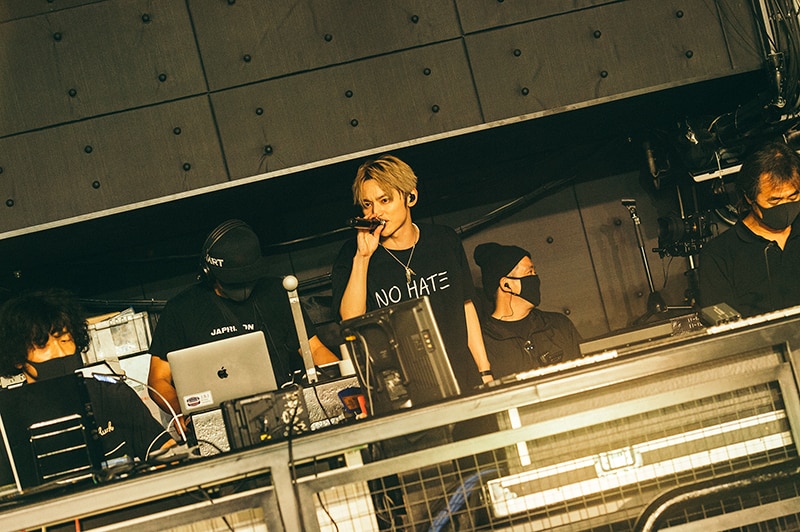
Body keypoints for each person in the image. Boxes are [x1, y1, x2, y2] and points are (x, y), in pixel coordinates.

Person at [148, 219, 339, 425]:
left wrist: (343, 384)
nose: (244, 289)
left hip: (284, 411)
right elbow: (158, 379)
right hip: (217, 420)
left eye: (249, 280)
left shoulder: (277, 292)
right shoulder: (181, 309)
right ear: (209, 273)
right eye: (233, 283)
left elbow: (314, 349)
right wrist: (182, 413)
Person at [331, 154, 492, 392]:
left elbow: (466, 306)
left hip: (462, 378)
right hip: (403, 388)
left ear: (411, 197)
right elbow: (350, 321)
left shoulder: (444, 240)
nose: (376, 212)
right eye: (367, 204)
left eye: (385, 200)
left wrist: (485, 372)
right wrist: (363, 257)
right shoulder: (352, 254)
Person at [0, 289, 174, 462]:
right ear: (17, 358)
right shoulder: (6, 419)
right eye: (43, 345)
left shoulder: (113, 395)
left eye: (65, 340)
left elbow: (167, 453)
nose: (60, 353)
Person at [698, 141, 800, 317]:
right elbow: (720, 320)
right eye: (774, 201)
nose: (784, 206)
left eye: (793, 197)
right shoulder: (718, 255)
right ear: (749, 198)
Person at [473, 242, 583, 379]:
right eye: (529, 272)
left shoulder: (559, 325)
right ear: (506, 285)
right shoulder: (484, 343)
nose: (535, 278)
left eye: (535, 272)